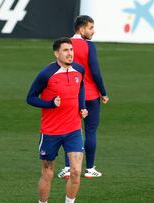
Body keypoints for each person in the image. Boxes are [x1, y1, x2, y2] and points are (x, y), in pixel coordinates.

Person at [27, 38, 88, 203]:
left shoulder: (79, 70)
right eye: (66, 50)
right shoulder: (46, 74)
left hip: (73, 129)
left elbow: (81, 86)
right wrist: (50, 104)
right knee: (48, 172)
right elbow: (30, 98)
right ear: (56, 53)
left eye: (71, 50)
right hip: (51, 132)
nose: (70, 53)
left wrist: (82, 107)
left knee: (75, 171)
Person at [57, 15, 109, 179]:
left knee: (70, 131)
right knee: (91, 131)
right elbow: (95, 71)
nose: (93, 31)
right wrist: (104, 92)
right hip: (91, 94)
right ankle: (89, 169)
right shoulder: (89, 46)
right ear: (81, 29)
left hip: (71, 94)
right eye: (91, 28)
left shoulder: (66, 45)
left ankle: (67, 168)